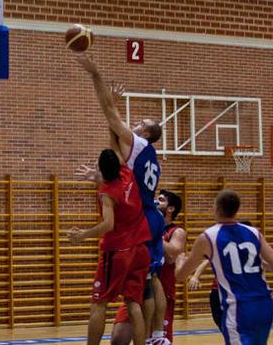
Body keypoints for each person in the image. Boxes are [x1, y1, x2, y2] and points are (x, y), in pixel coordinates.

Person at [76, 54, 168, 343]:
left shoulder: (138, 144)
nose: (135, 123)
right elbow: (115, 146)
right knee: (140, 293)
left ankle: (156, 335)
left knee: (108, 299)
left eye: (140, 123)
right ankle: (153, 336)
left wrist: (95, 74)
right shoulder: (150, 159)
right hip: (147, 221)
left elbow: (109, 115)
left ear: (145, 133)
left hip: (133, 227)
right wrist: (101, 175)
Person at [175, 190, 273, 345]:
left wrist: (180, 260)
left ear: (217, 208)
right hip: (265, 304)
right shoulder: (254, 232)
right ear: (236, 209)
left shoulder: (208, 237)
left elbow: (180, 276)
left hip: (238, 307)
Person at [69, 149, 152, 345]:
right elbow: (116, 186)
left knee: (98, 304)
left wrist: (83, 235)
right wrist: (97, 177)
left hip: (118, 252)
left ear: (102, 170)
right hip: (140, 248)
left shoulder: (107, 194)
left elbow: (109, 224)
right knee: (133, 303)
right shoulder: (127, 173)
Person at [187, 221, 273, 331]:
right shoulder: (228, 247)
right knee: (229, 331)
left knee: (237, 332)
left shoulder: (252, 251)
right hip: (219, 295)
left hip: (240, 297)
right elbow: (207, 261)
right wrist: (195, 276)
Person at [110, 190, 186, 344]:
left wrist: (154, 234)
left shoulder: (176, 231)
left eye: (161, 200)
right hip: (137, 288)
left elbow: (172, 253)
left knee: (154, 341)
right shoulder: (146, 222)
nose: (156, 202)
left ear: (171, 208)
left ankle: (158, 334)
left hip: (161, 293)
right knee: (118, 338)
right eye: (156, 199)